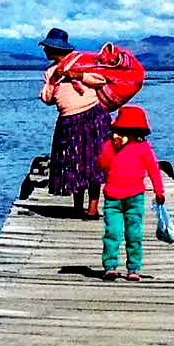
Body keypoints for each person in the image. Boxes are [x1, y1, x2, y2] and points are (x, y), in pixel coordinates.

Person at [37, 27, 109, 218]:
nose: (44, 51)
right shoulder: (51, 71)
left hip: (92, 117)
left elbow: (101, 80)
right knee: (74, 162)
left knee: (94, 163)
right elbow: (47, 98)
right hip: (68, 121)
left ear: (55, 48)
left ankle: (92, 208)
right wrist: (52, 80)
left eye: (47, 47)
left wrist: (77, 75)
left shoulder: (83, 62)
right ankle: (77, 207)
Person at [96, 105, 166, 282]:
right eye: (121, 130)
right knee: (112, 232)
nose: (124, 134)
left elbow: (153, 170)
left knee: (134, 234)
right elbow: (102, 165)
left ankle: (133, 267)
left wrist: (159, 191)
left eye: (129, 131)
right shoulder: (110, 145)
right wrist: (112, 149)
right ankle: (110, 266)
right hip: (113, 197)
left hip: (135, 196)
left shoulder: (143, 148)